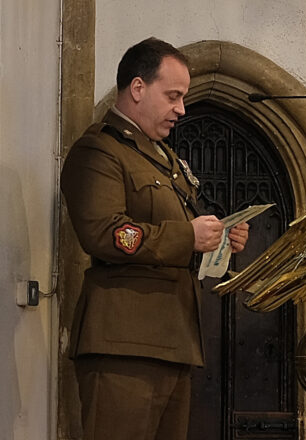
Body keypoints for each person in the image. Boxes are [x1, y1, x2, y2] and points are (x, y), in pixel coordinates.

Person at [60, 37, 249, 440]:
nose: (181, 109)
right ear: (138, 88)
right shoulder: (99, 152)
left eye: (183, 98)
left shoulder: (165, 159)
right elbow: (105, 233)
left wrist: (217, 238)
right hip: (123, 344)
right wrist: (188, 235)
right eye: (174, 96)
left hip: (173, 339)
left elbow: (177, 240)